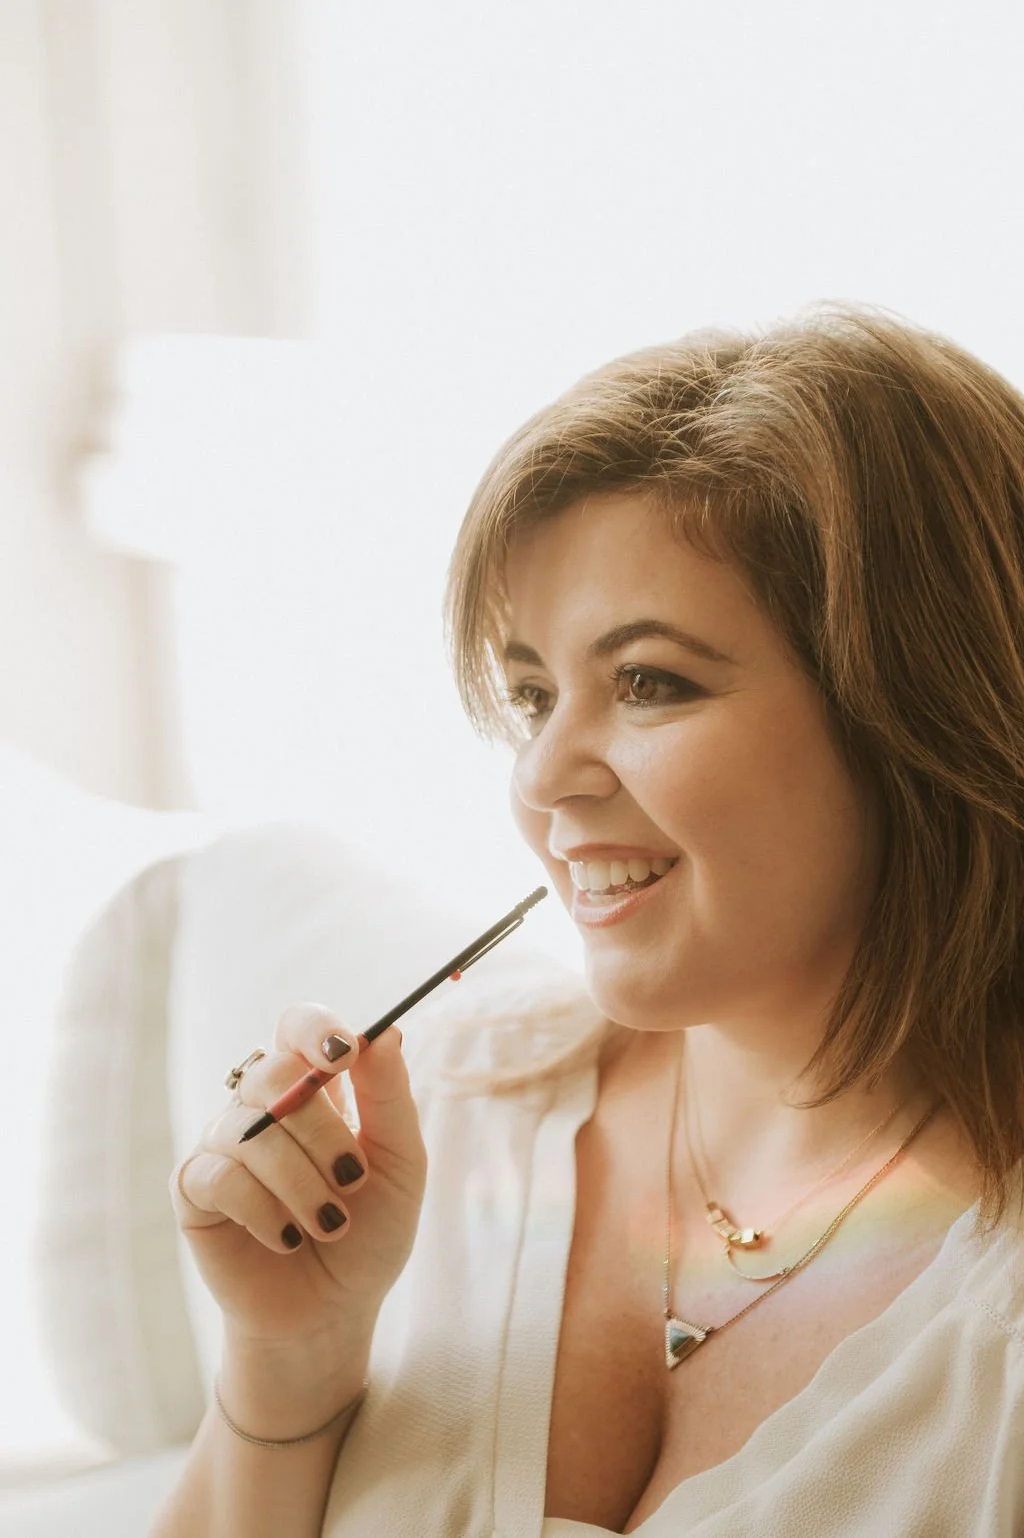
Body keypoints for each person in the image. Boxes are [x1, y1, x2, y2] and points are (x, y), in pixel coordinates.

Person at [151, 304, 1024, 1538]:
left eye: (648, 683)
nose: (543, 777)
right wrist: (288, 1372)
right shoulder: (456, 1117)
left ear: (916, 708)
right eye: (529, 694)